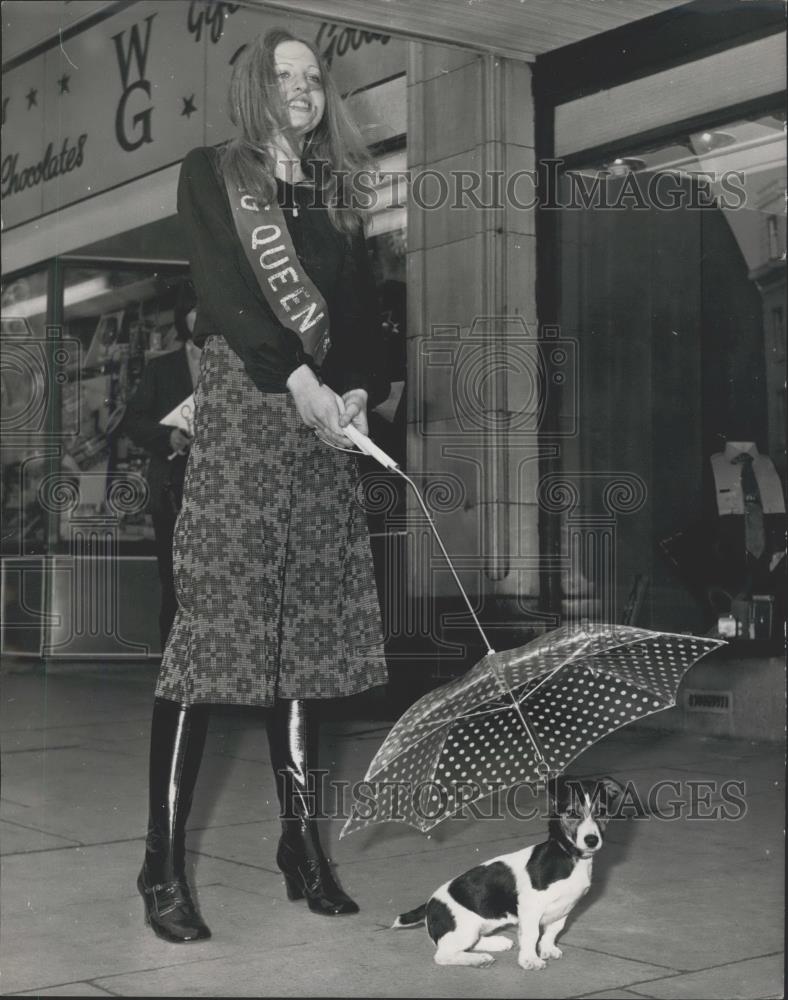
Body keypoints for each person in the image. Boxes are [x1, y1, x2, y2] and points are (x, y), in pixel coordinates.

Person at [137, 28, 390, 943]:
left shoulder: (334, 197)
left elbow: (362, 317)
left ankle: (300, 846)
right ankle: (162, 863)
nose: (302, 88)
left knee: (304, 645)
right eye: (283, 75)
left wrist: (356, 383)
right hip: (245, 424)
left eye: (313, 77)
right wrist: (302, 381)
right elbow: (227, 293)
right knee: (205, 646)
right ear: (253, 88)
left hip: (320, 433)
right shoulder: (212, 175)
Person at [120, 282, 202, 648]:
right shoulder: (162, 368)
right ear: (184, 317)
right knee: (175, 579)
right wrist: (166, 435)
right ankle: (173, 669)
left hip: (223, 490)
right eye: (196, 311)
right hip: (173, 487)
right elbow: (132, 421)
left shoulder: (236, 366)